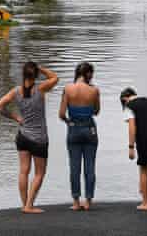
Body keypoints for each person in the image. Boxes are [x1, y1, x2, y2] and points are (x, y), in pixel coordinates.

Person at [0, 61, 59, 214]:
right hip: (39, 139)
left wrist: (15, 117)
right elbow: (55, 77)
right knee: (39, 173)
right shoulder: (41, 89)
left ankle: (25, 205)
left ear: (23, 74)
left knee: (23, 171)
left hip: (23, 136)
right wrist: (41, 68)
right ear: (35, 75)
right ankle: (29, 205)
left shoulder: (16, 91)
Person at [58, 61, 100, 211]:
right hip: (90, 129)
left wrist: (69, 122)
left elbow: (61, 114)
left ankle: (76, 202)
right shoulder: (94, 90)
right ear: (88, 74)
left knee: (74, 167)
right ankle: (88, 202)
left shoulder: (68, 89)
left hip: (74, 129)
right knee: (90, 166)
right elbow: (96, 111)